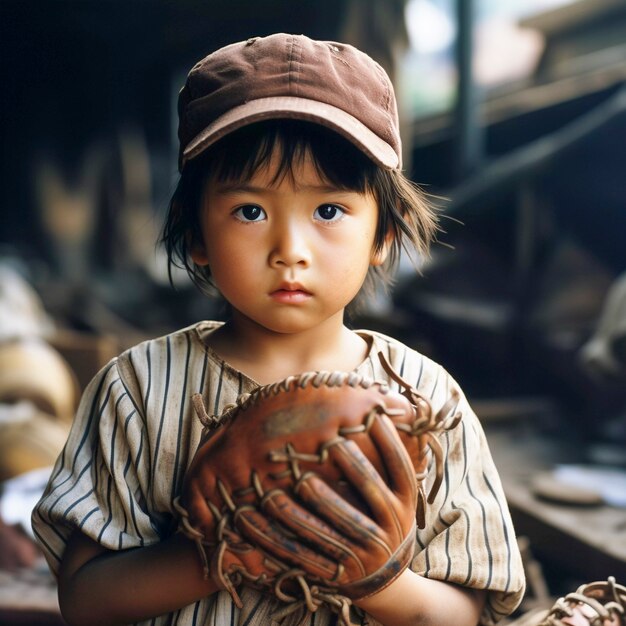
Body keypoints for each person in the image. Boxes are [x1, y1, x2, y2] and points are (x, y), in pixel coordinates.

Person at [31, 33, 525, 626]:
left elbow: (465, 613)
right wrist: (215, 552)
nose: (290, 251)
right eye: (250, 211)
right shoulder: (136, 390)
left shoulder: (428, 399)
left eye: (329, 210)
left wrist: (378, 577)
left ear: (383, 236)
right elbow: (85, 602)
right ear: (196, 237)